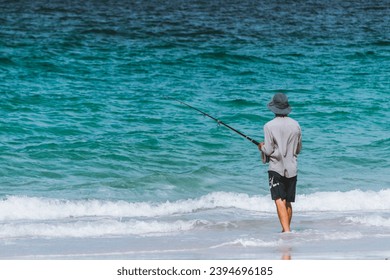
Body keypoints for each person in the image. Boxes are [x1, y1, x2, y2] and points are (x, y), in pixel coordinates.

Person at [258, 93, 302, 232]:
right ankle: (286, 230)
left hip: (276, 167)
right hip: (292, 167)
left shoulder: (269, 126)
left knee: (278, 199)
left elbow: (269, 150)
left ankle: (287, 232)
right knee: (288, 200)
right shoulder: (296, 125)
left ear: (273, 108)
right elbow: (298, 149)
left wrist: (261, 147)